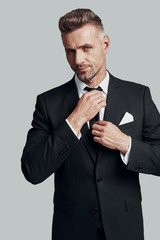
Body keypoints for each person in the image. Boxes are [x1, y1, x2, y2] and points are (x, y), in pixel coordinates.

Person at [21, 8, 160, 240]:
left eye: (86, 48)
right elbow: (32, 170)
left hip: (125, 229)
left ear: (105, 44)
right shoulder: (48, 102)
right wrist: (73, 121)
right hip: (72, 230)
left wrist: (126, 144)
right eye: (70, 51)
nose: (78, 60)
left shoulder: (139, 96)